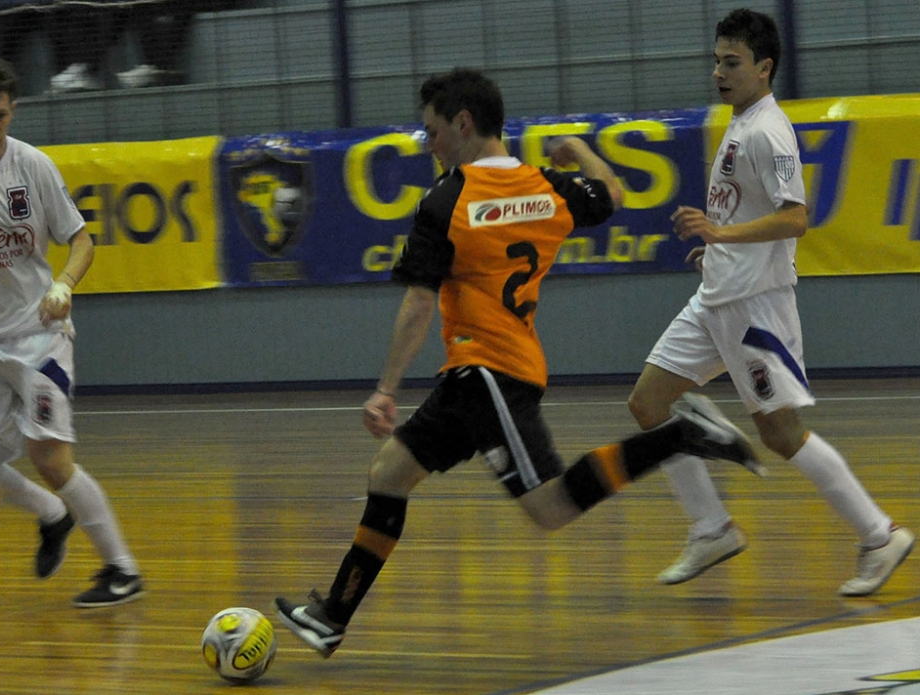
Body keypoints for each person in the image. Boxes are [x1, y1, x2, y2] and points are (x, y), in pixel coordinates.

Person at [273, 67, 765, 658]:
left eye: (431, 131)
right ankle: (332, 616)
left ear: (463, 123)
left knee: (551, 508)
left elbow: (419, 302)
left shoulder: (446, 199)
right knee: (389, 475)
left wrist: (385, 389)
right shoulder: (548, 187)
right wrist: (581, 150)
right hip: (489, 372)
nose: (427, 144)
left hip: (488, 372)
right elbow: (612, 194)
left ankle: (681, 434)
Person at [627, 8, 914, 596]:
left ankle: (879, 536)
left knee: (781, 436)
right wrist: (716, 251)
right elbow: (742, 211)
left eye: (731, 63)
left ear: (764, 68)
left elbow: (795, 218)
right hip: (717, 296)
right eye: (716, 61)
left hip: (756, 308)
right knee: (648, 403)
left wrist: (718, 235)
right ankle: (711, 528)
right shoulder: (738, 123)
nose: (718, 73)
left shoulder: (767, 130)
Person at [0, 56, 144, 607]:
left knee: (50, 458)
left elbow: (83, 241)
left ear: (12, 110)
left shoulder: (34, 166)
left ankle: (122, 569)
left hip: (41, 338)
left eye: (1, 115)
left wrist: (64, 284)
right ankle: (52, 514)